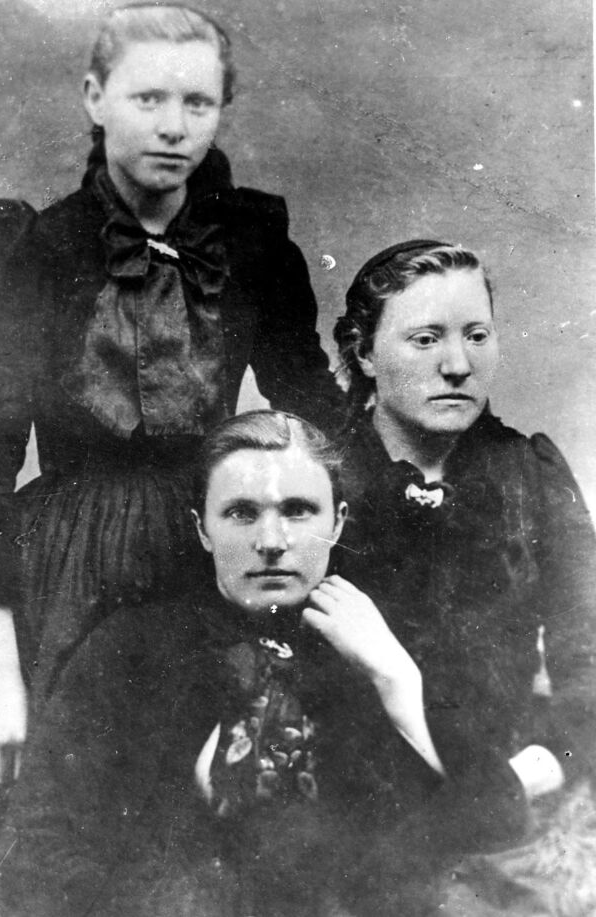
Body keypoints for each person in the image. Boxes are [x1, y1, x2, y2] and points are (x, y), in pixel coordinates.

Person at [0, 3, 342, 910]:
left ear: (220, 110)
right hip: (66, 562)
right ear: (95, 98)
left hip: (211, 545)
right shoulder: (39, 248)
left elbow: (316, 414)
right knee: (69, 823)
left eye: (197, 103)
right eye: (148, 98)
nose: (174, 126)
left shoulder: (251, 242)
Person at [0, 410, 573, 917]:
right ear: (202, 529)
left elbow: (491, 820)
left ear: (338, 523)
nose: (271, 540)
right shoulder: (130, 649)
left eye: (297, 511)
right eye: (241, 513)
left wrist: (396, 679)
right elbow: (40, 851)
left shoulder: (382, 639)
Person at [333, 239, 596, 913]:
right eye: (425, 339)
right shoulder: (320, 480)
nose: (457, 364)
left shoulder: (531, 474)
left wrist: (538, 769)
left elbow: (590, 660)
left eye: (477, 335)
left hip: (506, 812)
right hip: (356, 819)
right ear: (364, 353)